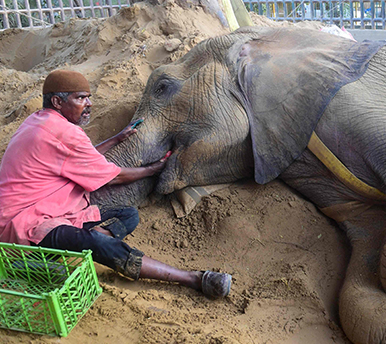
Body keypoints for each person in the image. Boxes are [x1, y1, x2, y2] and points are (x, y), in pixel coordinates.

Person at [0, 70, 230, 299]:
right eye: (80, 98)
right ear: (58, 101)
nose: (88, 104)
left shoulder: (38, 121)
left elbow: (78, 158)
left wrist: (117, 138)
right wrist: (153, 170)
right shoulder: (64, 132)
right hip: (24, 226)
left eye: (88, 97)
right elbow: (113, 177)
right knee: (99, 244)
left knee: (127, 214)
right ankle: (194, 278)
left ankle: (82, 250)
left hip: (49, 213)